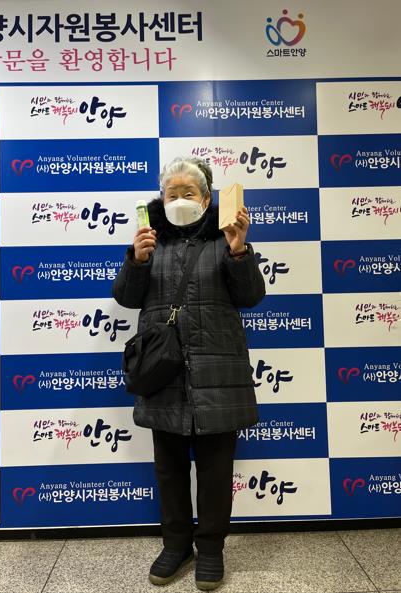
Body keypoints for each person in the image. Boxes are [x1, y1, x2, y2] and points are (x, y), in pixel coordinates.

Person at [112, 157, 266, 591]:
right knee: (170, 469)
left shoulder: (226, 236)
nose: (179, 199)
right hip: (164, 376)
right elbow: (126, 298)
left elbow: (251, 296)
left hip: (218, 371)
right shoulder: (150, 240)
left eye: (188, 192)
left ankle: (211, 549)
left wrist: (239, 251)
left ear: (206, 197)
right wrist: (136, 260)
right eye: (171, 193)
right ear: (161, 198)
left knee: (216, 470)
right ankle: (176, 545)